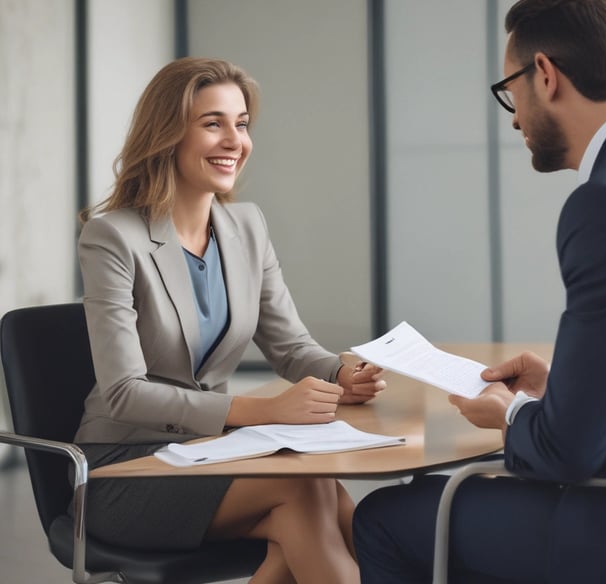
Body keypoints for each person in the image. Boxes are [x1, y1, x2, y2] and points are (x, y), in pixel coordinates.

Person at [353, 1, 606, 582]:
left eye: (509, 91)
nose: (515, 117)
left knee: (384, 517)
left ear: (544, 76)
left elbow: (568, 453)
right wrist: (561, 390)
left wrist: (514, 414)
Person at [74, 56, 385, 584]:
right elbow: (125, 391)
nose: (234, 140)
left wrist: (339, 374)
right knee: (307, 488)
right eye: (212, 123)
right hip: (123, 465)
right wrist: (259, 411)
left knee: (312, 497)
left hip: (205, 453)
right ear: (167, 133)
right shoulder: (113, 237)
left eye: (240, 124)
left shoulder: (247, 225)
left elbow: (290, 346)